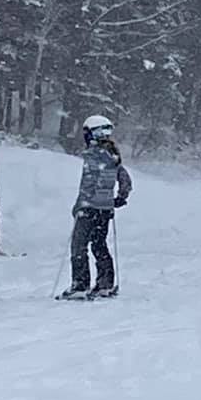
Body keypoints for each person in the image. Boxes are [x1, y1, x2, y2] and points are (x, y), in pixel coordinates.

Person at [63, 115, 131, 299]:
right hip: (105, 209)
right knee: (99, 245)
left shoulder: (93, 155)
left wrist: (79, 206)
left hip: (89, 208)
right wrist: (119, 197)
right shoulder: (113, 155)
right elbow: (125, 179)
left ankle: (80, 285)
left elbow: (89, 184)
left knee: (79, 246)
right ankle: (105, 284)